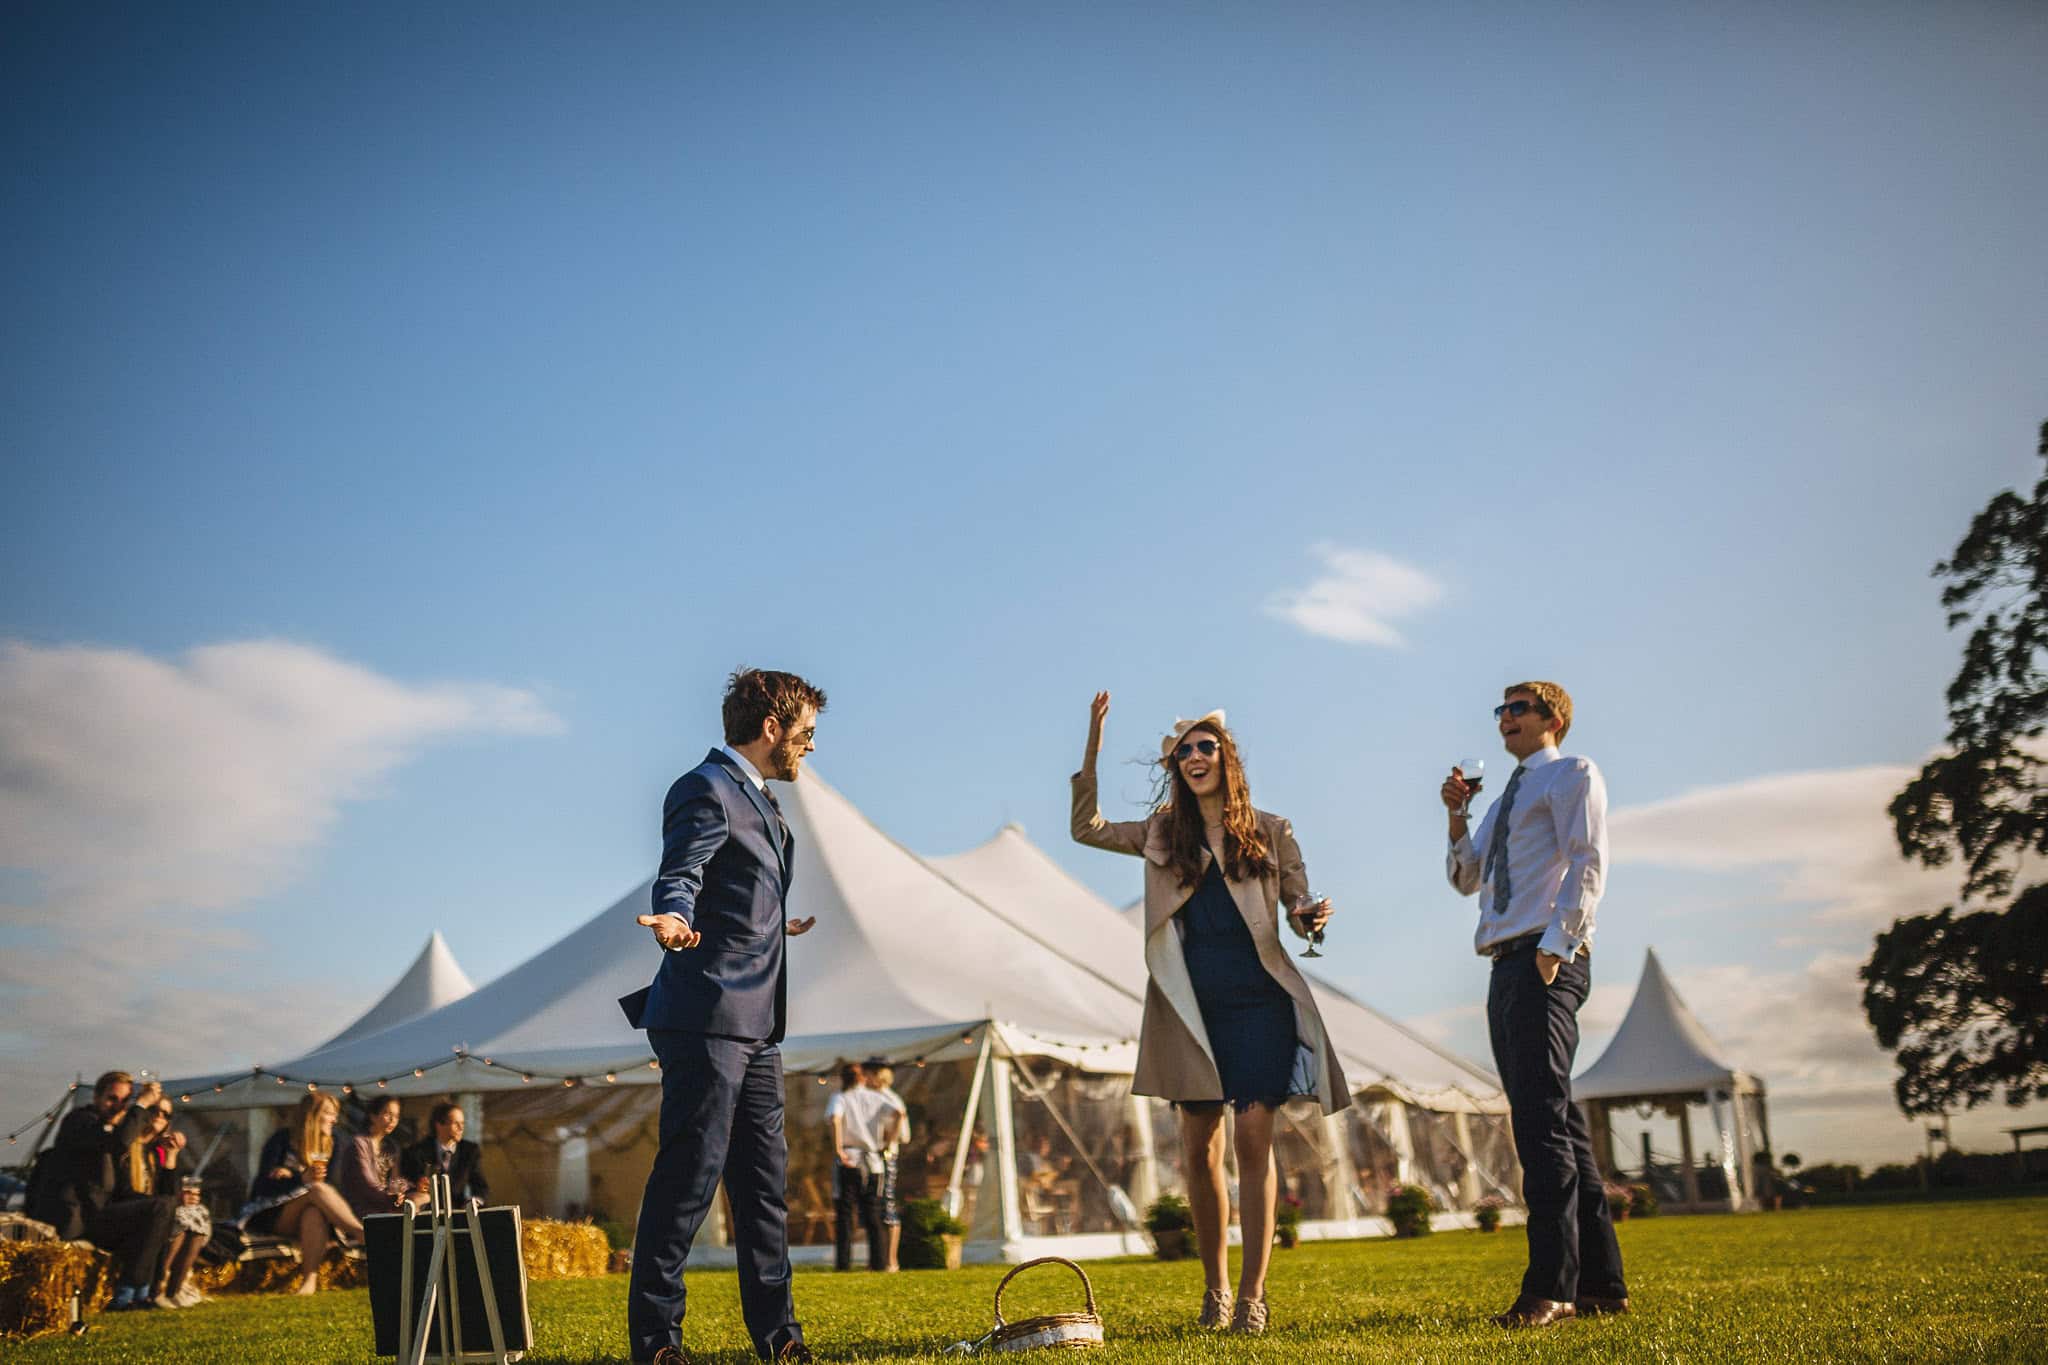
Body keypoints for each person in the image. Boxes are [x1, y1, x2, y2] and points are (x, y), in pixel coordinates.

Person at [1071, 694, 1348, 1335]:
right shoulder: (1164, 833)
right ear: (1176, 767)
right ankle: (1215, 1291)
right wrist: (1092, 742)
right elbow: (1086, 828)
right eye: (1184, 751)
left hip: (1261, 1005)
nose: (1195, 756)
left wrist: (1310, 915)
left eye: (1206, 746)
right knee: (1199, 1152)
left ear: (1227, 758)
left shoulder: (1273, 830)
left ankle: (1253, 1296)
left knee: (1254, 1140)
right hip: (1192, 1010)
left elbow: (1302, 898)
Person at [619, 667, 827, 1365]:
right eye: (805, 734)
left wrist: (771, 924)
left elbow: (737, 889)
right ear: (772, 727)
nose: (810, 747)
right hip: (705, 1013)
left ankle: (781, 1336)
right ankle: (657, 1341)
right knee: (689, 1179)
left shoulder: (761, 799)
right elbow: (683, 868)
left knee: (765, 1187)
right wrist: (675, 914)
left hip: (759, 1022)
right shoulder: (705, 787)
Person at [1442, 681, 1628, 1329]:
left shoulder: (1573, 773)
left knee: (1540, 1124)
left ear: (1553, 718)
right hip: (1506, 962)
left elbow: (1588, 859)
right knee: (1558, 1120)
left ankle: (1550, 1285)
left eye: (1517, 709)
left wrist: (1557, 946)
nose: (1504, 719)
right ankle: (1603, 1282)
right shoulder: (1505, 800)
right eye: (1499, 710)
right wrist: (1458, 815)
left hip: (1544, 958)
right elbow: (1467, 876)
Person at [27, 1071, 175, 1310]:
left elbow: (123, 1189)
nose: (117, 1107)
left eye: (123, 1101)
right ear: (96, 1097)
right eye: (111, 1098)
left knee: (163, 1207)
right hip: (78, 1218)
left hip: (99, 1213)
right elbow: (118, 1141)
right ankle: (127, 1295)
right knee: (159, 1208)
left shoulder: (119, 1134)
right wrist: (142, 1104)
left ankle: (145, 1292)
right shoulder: (80, 1121)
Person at [240, 1091, 365, 1294]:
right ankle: (361, 1234)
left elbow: (335, 1188)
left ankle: (309, 1282)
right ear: (311, 1114)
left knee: (313, 1212)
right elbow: (262, 1187)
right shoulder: (282, 1139)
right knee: (315, 1189)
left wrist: (294, 1177)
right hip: (271, 1213)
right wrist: (299, 1179)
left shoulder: (335, 1144)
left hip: (314, 1210)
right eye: (328, 1113)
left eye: (335, 1114)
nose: (334, 1119)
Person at [114, 1100, 208, 1308]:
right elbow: (124, 1192)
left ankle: (171, 1291)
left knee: (194, 1215)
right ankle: (150, 1290)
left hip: (153, 1212)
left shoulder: (154, 1152)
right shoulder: (126, 1146)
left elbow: (168, 1195)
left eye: (166, 1114)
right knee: (174, 1220)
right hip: (126, 1214)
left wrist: (172, 1155)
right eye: (154, 1110)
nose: (160, 1116)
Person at [824, 1062, 883, 1273]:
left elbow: (835, 1119)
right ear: (862, 1078)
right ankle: (879, 1262)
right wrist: (888, 1141)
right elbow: (899, 1113)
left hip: (850, 1158)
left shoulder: (840, 1098)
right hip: (873, 1160)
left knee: (846, 1213)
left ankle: (844, 1263)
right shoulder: (876, 1097)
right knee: (873, 1212)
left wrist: (838, 1148)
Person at [863, 1062, 910, 1273]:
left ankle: (891, 1260)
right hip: (882, 1154)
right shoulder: (879, 1096)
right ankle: (883, 1258)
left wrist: (889, 1142)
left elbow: (900, 1116)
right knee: (880, 1205)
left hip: (886, 1155)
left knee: (887, 1205)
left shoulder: (886, 1097)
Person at [400, 1101, 489, 1205]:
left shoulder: (469, 1150)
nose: (461, 1128)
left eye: (462, 1123)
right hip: (427, 1212)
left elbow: (480, 1186)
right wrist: (418, 1186)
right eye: (456, 1123)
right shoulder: (417, 1152)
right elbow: (407, 1184)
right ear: (439, 1125)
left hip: (458, 1211)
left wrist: (475, 1202)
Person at [339, 1095, 410, 1219]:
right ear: (373, 1116)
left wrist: (406, 1188)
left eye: (397, 1116)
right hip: (362, 1206)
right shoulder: (359, 1144)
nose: (392, 1120)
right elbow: (366, 1184)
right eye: (387, 1114)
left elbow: (395, 1180)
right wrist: (389, 1198)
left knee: (421, 1198)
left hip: (386, 1201)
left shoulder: (392, 1147)